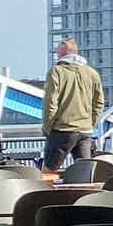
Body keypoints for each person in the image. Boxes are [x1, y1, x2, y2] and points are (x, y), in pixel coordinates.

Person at [41, 37, 103, 172]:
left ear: (61, 53)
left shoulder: (56, 72)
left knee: (48, 172)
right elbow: (99, 103)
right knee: (85, 173)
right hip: (85, 130)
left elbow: (50, 103)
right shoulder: (92, 73)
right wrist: (90, 122)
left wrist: (47, 127)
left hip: (63, 130)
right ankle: (85, 192)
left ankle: (45, 192)